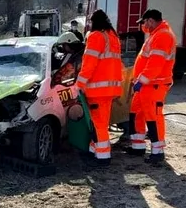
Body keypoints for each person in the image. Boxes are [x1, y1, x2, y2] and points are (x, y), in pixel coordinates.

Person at [125, 9, 177, 165]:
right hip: (147, 84)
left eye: (144, 22)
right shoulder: (156, 35)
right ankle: (138, 146)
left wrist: (142, 80)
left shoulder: (162, 36)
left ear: (151, 21)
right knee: (136, 113)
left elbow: (155, 64)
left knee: (153, 117)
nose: (143, 26)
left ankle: (158, 151)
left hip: (154, 84)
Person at [76, 9, 123, 167]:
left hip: (97, 90)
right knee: (102, 122)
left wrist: (79, 84)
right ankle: (94, 151)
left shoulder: (96, 37)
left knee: (98, 124)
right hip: (110, 89)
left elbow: (89, 64)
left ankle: (102, 157)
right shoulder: (113, 37)